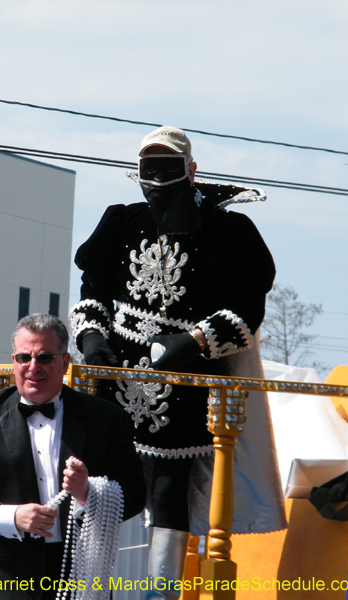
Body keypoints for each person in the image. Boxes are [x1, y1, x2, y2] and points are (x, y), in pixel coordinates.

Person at [68, 126, 278, 598]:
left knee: (168, 488)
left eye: (169, 166)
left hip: (186, 382)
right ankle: (92, 587)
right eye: (150, 167)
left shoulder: (227, 231)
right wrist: (91, 335)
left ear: (191, 170)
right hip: (117, 375)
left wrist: (193, 342)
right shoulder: (121, 222)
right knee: (103, 479)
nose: (159, 177)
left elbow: (246, 305)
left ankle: (158, 593)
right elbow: (93, 290)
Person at [0, 313, 146, 600]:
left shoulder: (106, 419)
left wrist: (89, 492)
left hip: (80, 575)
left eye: (44, 358)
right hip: (7, 578)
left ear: (65, 363)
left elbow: (137, 493)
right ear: (13, 361)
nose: (32, 367)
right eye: (23, 357)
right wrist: (13, 516)